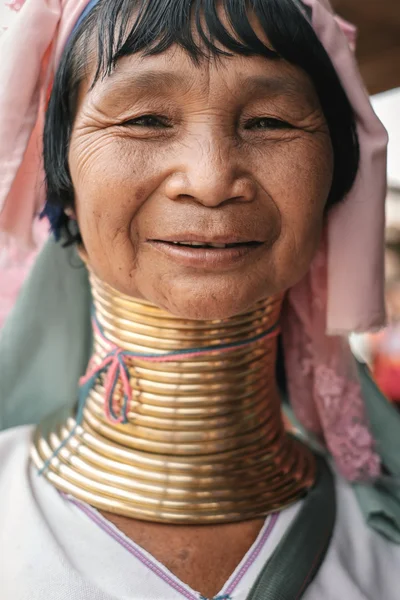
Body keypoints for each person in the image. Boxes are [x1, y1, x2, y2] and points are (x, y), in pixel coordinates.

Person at [0, 0, 400, 598]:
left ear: (335, 184)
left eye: (269, 122)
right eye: (144, 120)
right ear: (62, 185)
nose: (211, 180)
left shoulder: (382, 550)